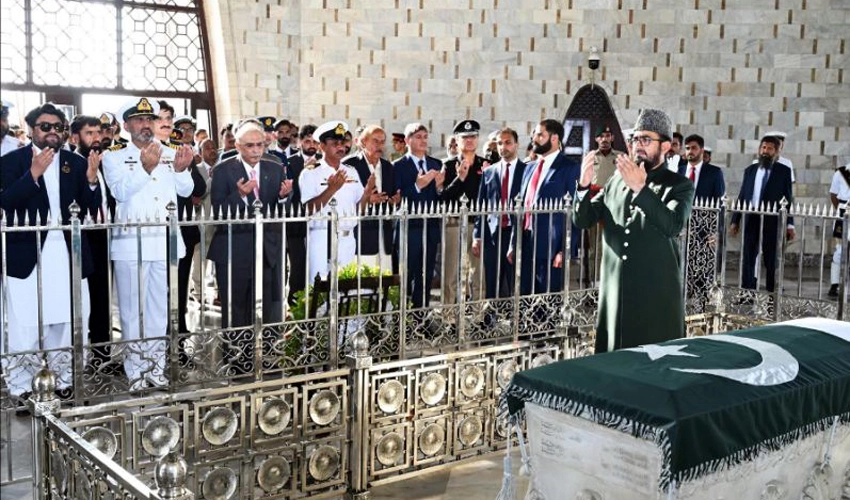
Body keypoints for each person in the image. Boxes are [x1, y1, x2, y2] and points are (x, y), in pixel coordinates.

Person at [1, 103, 101, 400]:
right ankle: (21, 385)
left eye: (59, 127)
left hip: (69, 253)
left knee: (67, 321)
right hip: (28, 255)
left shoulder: (76, 162)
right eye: (46, 127)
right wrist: (32, 175)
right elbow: (5, 206)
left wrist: (93, 181)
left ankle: (64, 378)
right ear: (32, 129)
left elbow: (91, 210)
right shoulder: (11, 162)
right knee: (25, 325)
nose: (53, 132)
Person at [574, 108, 695, 353]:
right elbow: (583, 219)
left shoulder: (679, 185)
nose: (638, 145)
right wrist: (583, 186)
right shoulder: (616, 180)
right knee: (613, 366)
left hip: (654, 294)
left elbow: (672, 225)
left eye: (646, 139)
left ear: (666, 146)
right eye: (635, 139)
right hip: (615, 295)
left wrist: (641, 190)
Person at [102, 97, 195, 390]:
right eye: (139, 120)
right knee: (132, 311)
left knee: (158, 310)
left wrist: (181, 170)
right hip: (132, 243)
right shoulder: (113, 155)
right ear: (127, 125)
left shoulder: (170, 151)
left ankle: (155, 369)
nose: (145, 125)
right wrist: (144, 168)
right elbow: (119, 192)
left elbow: (187, 189)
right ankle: (137, 373)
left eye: (149, 120)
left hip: (164, 242)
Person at [207, 120, 291, 373]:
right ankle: (237, 358)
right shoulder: (223, 170)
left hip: (267, 248)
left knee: (269, 304)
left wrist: (284, 196)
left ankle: (267, 355)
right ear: (238, 145)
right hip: (234, 249)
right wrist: (241, 195)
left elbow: (281, 209)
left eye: (261, 145)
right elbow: (218, 212)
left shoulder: (275, 167)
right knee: (236, 307)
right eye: (251, 146)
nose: (257, 150)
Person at [508, 119, 580, 295]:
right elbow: (520, 208)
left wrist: (566, 249)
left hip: (550, 246)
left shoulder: (569, 168)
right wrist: (513, 243)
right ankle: (525, 324)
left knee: (547, 298)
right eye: (535, 134)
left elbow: (575, 212)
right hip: (524, 241)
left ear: (554, 138)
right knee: (524, 295)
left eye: (540, 135)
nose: (535, 138)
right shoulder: (528, 168)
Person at [69, 114, 119, 371]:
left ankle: (102, 355)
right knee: (82, 298)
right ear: (75, 137)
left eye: (99, 133)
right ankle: (75, 358)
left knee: (102, 296)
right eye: (90, 133)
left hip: (104, 234)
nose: (96, 138)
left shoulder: (107, 162)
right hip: (82, 236)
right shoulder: (71, 164)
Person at [299, 121, 377, 282]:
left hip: (347, 239)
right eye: (335, 144)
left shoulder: (351, 172)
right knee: (319, 286)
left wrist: (367, 195)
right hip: (321, 238)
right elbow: (308, 209)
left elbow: (359, 210)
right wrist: (331, 189)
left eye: (342, 143)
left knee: (345, 287)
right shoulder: (310, 173)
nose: (341, 148)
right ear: (321, 146)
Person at [730, 135, 795, 293]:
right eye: (763, 148)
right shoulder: (750, 170)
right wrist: (735, 220)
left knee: (771, 258)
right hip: (751, 217)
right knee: (748, 256)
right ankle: (747, 292)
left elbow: (788, 198)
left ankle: (773, 295)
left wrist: (790, 224)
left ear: (777, 151)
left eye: (770, 148)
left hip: (772, 220)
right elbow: (742, 196)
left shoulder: (784, 171)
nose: (766, 151)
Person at [393, 123, 444, 308]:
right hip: (409, 229)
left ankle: (421, 314)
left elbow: (442, 200)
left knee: (427, 273)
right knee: (407, 273)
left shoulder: (436, 164)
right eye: (418, 137)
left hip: (429, 228)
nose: (423, 140)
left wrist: (439, 188)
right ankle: (403, 314)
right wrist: (417, 186)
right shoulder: (398, 166)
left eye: (425, 136)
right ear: (407, 141)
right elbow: (395, 198)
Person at [472, 128, 526, 300]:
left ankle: (516, 320)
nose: (503, 147)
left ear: (516, 145)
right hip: (492, 235)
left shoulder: (526, 170)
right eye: (500, 143)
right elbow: (482, 205)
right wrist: (477, 236)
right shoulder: (489, 172)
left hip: (516, 233)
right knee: (492, 282)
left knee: (515, 281)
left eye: (508, 142)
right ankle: (490, 321)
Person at [441, 119, 486, 305]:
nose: (469, 140)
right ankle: (449, 316)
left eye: (473, 136)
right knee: (450, 273)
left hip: (477, 223)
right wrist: (460, 179)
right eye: (465, 137)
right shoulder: (448, 165)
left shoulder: (485, 165)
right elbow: (443, 198)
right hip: (454, 222)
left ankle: (478, 315)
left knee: (478, 274)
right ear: (457, 141)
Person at [343, 125, 400, 269]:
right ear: (363, 142)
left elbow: (391, 194)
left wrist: (394, 201)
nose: (380, 146)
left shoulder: (388, 167)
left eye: (382, 142)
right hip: (360, 233)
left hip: (384, 233)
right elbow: (343, 199)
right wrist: (367, 200)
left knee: (384, 276)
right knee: (361, 278)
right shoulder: (349, 165)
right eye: (375, 141)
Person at [284, 124, 319, 304]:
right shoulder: (290, 162)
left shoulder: (324, 161)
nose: (311, 144)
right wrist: (304, 172)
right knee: (298, 266)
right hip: (296, 224)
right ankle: (295, 305)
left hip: (319, 222)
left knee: (317, 264)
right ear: (299, 142)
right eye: (307, 141)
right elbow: (289, 193)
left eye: (314, 141)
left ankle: (316, 304)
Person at [828, 163, 849, 298]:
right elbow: (833, 194)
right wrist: (840, 210)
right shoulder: (841, 173)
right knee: (841, 248)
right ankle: (835, 284)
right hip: (844, 210)